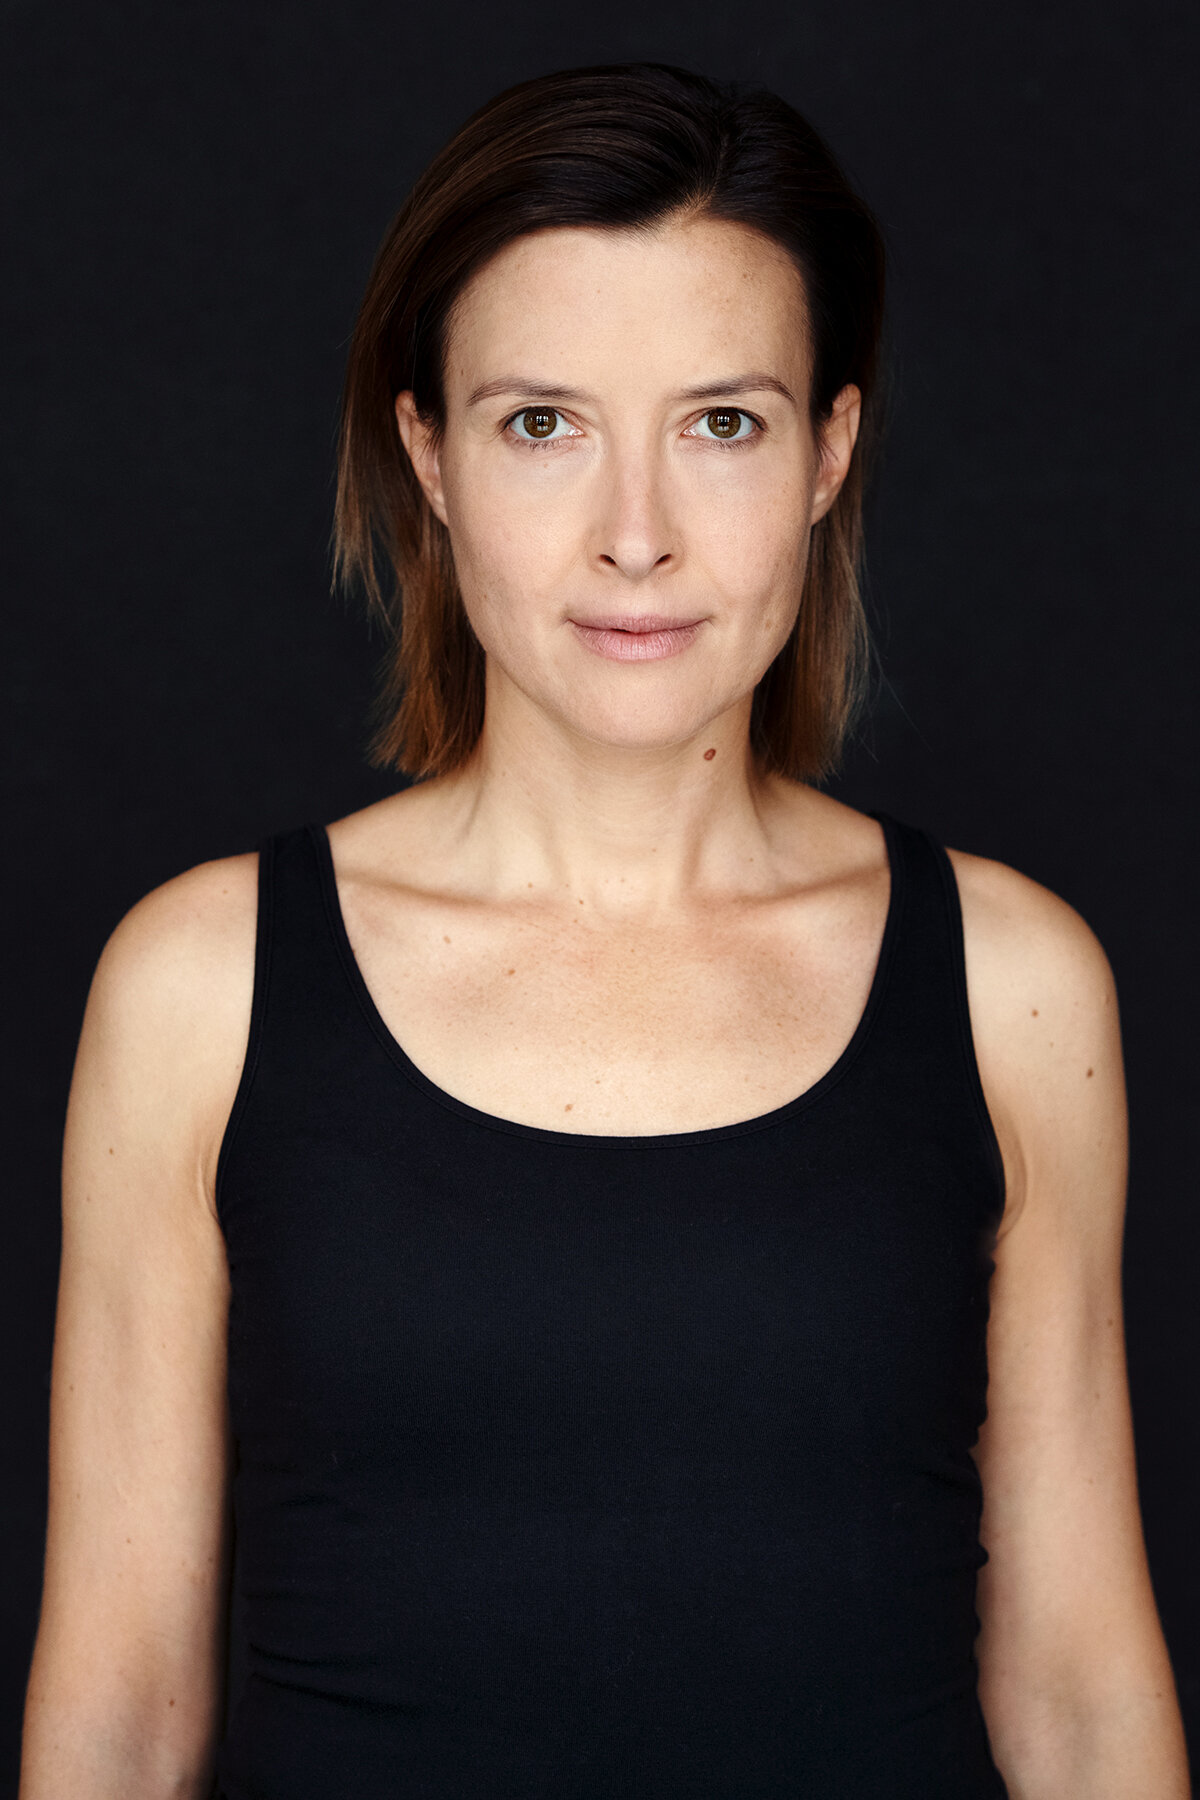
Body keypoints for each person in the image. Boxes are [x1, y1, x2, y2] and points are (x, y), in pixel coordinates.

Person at [19, 60, 1189, 1800]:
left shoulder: (1014, 987)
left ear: (828, 453)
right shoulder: (201, 988)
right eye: (540, 425)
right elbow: (118, 1712)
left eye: (722, 424)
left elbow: (1084, 1696)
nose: (636, 536)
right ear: (427, 454)